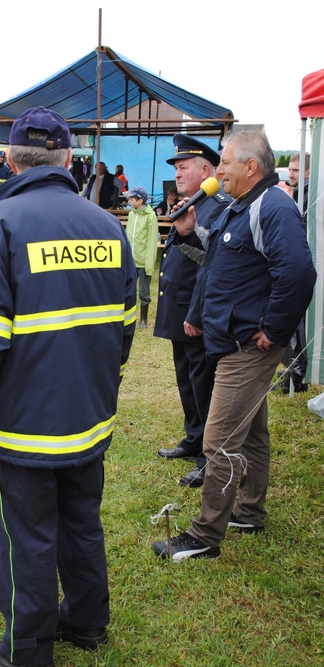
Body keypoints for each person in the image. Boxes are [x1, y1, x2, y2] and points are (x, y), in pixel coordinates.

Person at [0, 106, 136, 667]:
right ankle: (87, 623)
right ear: (68, 158)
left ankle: (26, 654)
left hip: (22, 422)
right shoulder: (107, 226)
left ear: (8, 159)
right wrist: (97, 381)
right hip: (88, 413)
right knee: (81, 521)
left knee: (26, 535)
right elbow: (125, 324)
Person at [152, 131, 316, 561]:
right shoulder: (242, 206)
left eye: (225, 162)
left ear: (251, 167)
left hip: (248, 346)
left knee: (219, 440)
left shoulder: (273, 206)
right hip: (233, 341)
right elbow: (221, 262)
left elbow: (299, 272)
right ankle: (249, 512)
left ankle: (204, 536)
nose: (218, 170)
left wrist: (274, 330)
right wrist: (190, 234)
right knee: (253, 433)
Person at [154, 134, 231, 488]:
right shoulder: (194, 202)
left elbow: (210, 268)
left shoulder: (217, 206)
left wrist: (196, 313)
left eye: (184, 167)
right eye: (177, 168)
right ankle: (194, 438)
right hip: (180, 307)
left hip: (195, 311)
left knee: (203, 384)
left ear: (206, 171)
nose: (178, 173)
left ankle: (207, 456)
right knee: (186, 378)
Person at [277, 153, 311, 393]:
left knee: (299, 326)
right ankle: (296, 371)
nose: (290, 174)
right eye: (289, 169)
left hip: (301, 267)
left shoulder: (306, 195)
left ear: (308, 172)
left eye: (296, 170)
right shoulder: (299, 193)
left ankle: (297, 375)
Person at [123, 186, 158, 328]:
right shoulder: (132, 215)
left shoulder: (151, 217)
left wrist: (149, 264)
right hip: (131, 261)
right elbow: (127, 236)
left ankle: (143, 319)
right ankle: (128, 316)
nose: (129, 201)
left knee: (144, 292)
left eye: (131, 199)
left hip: (143, 262)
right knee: (128, 290)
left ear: (140, 201)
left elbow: (152, 241)